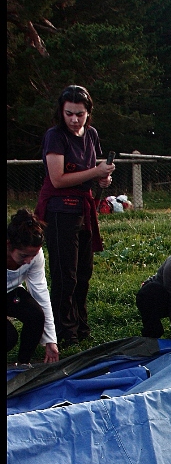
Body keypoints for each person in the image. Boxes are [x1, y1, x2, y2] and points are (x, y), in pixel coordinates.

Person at [36, 85, 115, 345]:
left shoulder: (91, 134)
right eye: (69, 113)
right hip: (59, 210)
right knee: (65, 274)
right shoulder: (55, 136)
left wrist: (103, 179)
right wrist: (95, 172)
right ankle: (64, 332)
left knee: (83, 272)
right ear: (61, 112)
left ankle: (81, 326)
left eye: (79, 114)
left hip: (83, 207)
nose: (74, 119)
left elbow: (92, 171)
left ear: (88, 112)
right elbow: (58, 179)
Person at [7, 209, 59, 367]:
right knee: (9, 336)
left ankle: (23, 364)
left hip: (10, 292)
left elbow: (40, 292)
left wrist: (50, 340)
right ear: (9, 245)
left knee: (36, 315)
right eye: (24, 256)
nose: (29, 261)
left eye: (33, 256)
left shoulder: (35, 256)